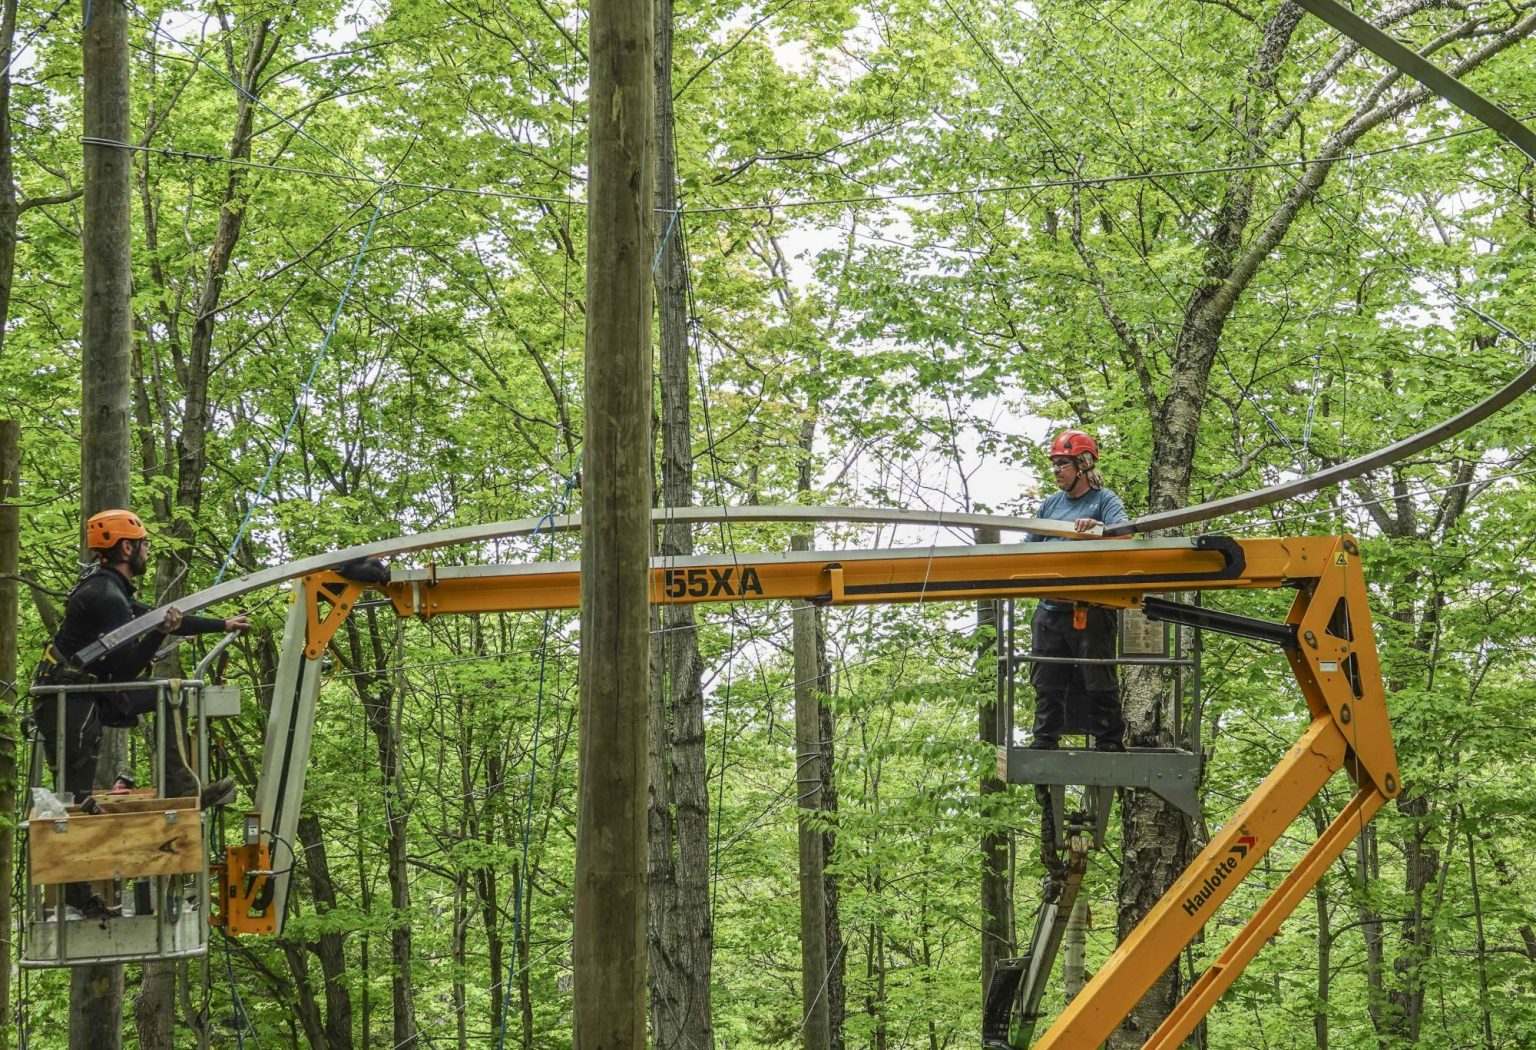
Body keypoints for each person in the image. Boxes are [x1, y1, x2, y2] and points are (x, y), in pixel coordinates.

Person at [34, 509, 250, 812]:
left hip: (88, 690)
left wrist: (222, 624)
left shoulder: (108, 586)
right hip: (69, 700)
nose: (147, 550)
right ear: (127, 547)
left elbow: (156, 618)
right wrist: (159, 634)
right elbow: (126, 668)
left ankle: (179, 786)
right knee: (75, 801)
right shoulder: (107, 597)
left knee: (168, 693)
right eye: (144, 543)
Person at [1025, 429, 1129, 753]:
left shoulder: (1104, 501)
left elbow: (1124, 538)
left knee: (1098, 678)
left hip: (1090, 609)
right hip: (1051, 610)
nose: (1056, 470)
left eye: (1063, 464)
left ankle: (1109, 741)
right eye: (1054, 464)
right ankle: (1044, 740)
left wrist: (1096, 530)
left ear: (1083, 465)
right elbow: (1028, 551)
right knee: (1047, 680)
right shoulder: (1050, 506)